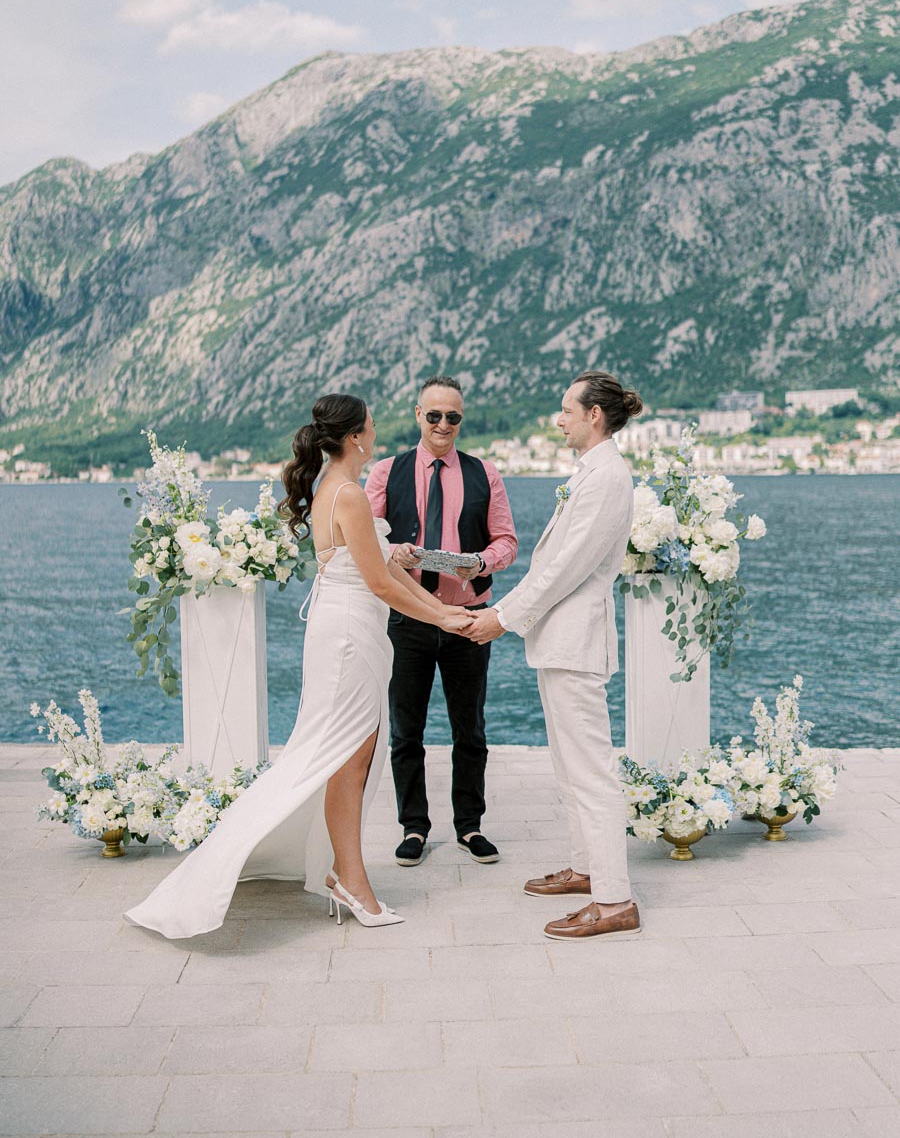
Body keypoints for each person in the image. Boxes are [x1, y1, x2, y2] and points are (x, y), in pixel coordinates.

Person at [124, 394, 472, 939]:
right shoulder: (350, 495)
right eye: (372, 426)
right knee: (343, 758)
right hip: (349, 635)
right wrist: (444, 621)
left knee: (348, 756)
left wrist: (446, 612)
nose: (378, 432)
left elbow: (385, 571)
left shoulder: (337, 490)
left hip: (354, 628)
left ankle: (344, 873)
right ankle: (348, 879)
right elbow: (380, 583)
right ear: (356, 437)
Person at [465, 370, 642, 941]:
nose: (558, 418)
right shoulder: (591, 472)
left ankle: (614, 900)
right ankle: (586, 867)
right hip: (561, 642)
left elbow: (565, 568)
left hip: (576, 641)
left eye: (567, 410)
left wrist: (502, 616)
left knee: (591, 772)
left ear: (595, 415)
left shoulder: (608, 477)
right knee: (570, 768)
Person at [365, 376, 518, 866]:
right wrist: (395, 551)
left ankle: (470, 826)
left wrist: (481, 562)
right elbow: (363, 542)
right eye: (434, 415)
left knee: (469, 728)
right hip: (408, 616)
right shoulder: (387, 473)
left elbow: (508, 543)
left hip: (470, 617)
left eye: (453, 416)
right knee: (405, 730)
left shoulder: (485, 474)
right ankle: (413, 827)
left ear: (461, 419)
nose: (443, 425)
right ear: (417, 415)